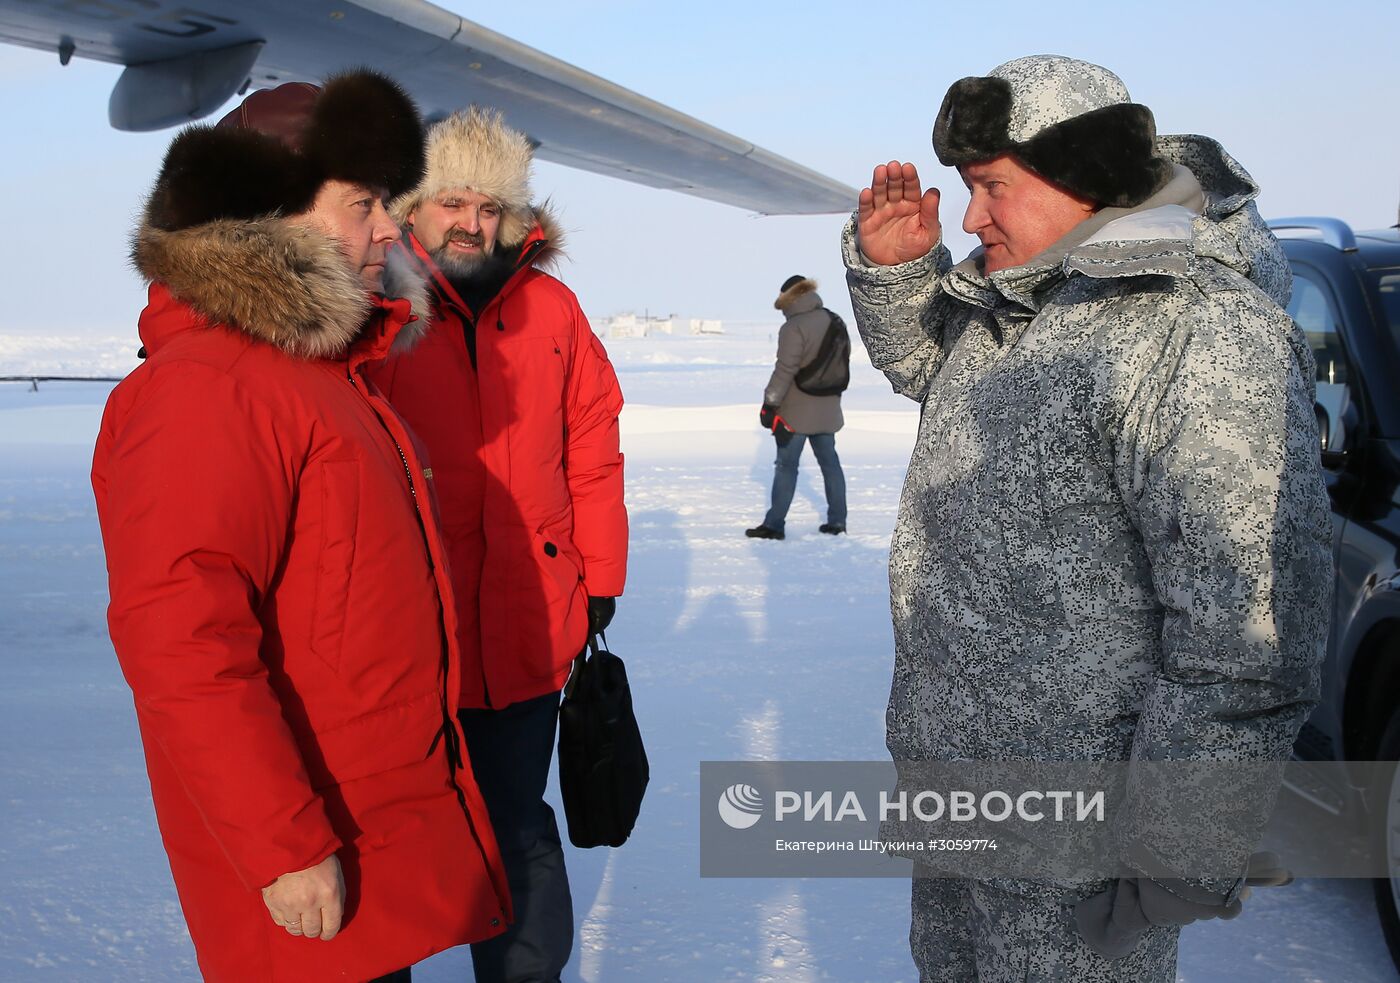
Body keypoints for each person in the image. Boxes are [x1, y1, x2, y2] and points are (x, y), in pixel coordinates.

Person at [842, 55, 1332, 981]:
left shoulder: (1195, 330)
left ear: (1084, 180)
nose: (973, 217)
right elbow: (937, 375)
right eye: (966, 188)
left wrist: (1178, 848)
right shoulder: (1023, 300)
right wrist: (901, 278)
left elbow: (1246, 632)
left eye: (993, 187)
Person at [91, 73, 511, 982]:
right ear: (272, 215)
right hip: (306, 832)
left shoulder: (314, 373)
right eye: (363, 203)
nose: (392, 229)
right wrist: (281, 845)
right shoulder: (211, 389)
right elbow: (182, 639)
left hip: (358, 811)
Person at [369, 106, 627, 983]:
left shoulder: (553, 309)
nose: (470, 222)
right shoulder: (377, 303)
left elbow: (593, 444)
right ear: (415, 205)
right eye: (451, 201)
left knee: (517, 817)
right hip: (406, 626)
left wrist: (599, 574)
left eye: (487, 205)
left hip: (528, 614)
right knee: (393, 819)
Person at [745, 275, 848, 540]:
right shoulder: (834, 320)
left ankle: (774, 525)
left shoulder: (793, 328)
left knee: (786, 466)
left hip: (796, 411)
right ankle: (837, 522)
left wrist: (770, 403)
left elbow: (785, 370)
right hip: (828, 407)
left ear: (788, 299)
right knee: (830, 464)